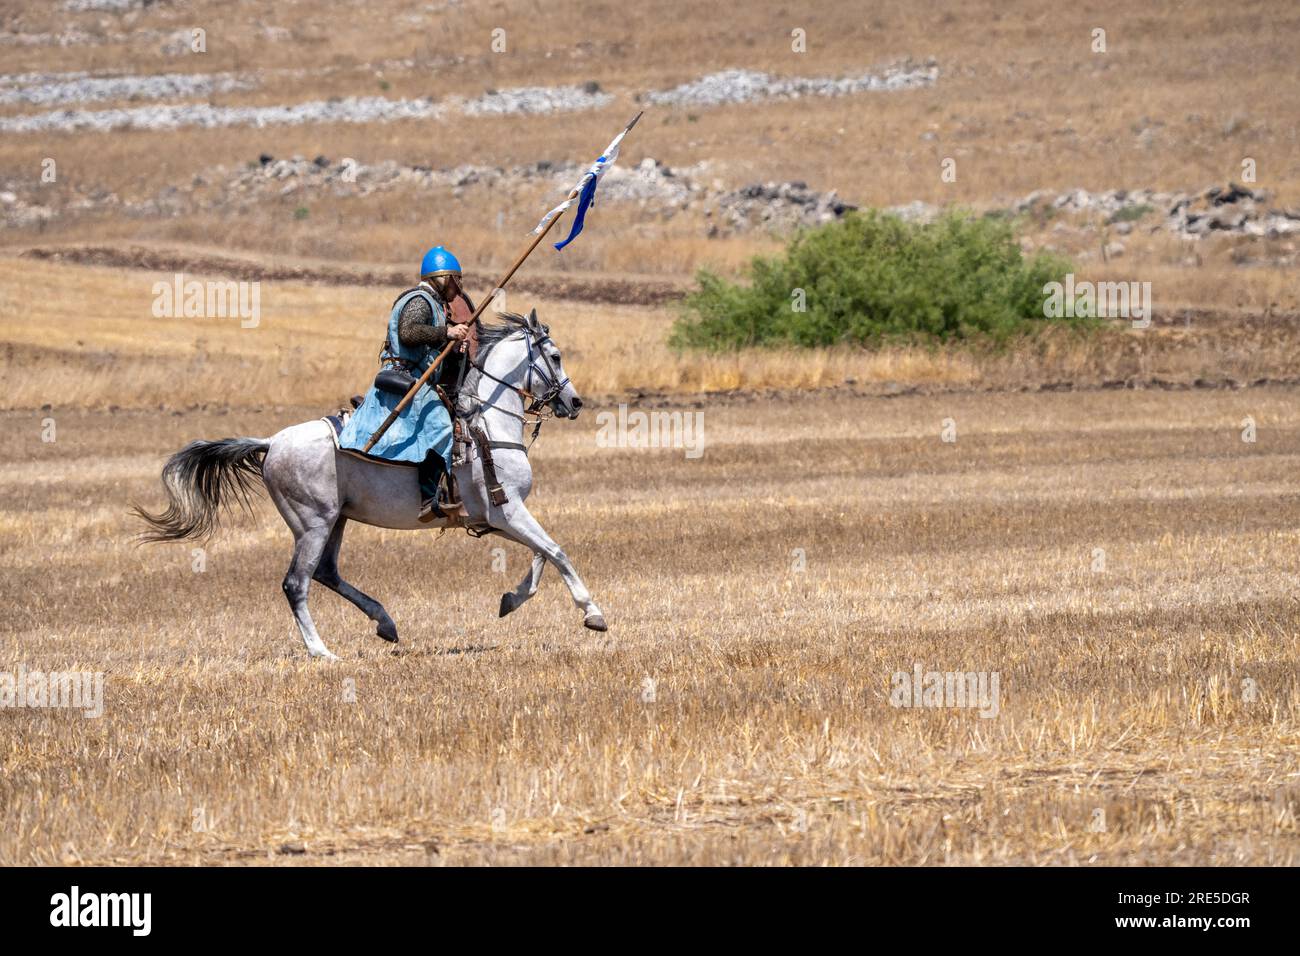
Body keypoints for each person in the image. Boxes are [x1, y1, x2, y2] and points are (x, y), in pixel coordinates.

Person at [337, 246, 477, 521]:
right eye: (456, 279)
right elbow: (409, 332)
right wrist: (447, 332)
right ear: (443, 277)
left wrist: (451, 345)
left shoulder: (435, 304)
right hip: (405, 378)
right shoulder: (420, 299)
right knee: (439, 424)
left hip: (415, 376)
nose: (458, 287)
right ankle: (430, 498)